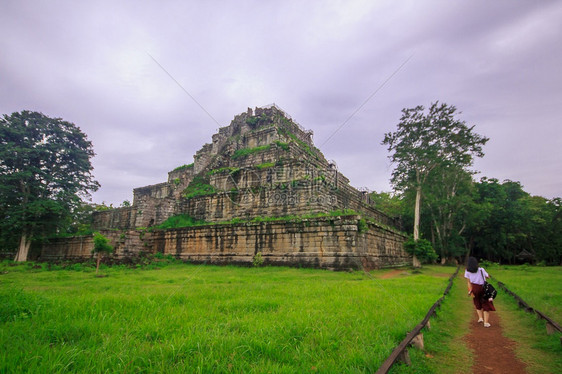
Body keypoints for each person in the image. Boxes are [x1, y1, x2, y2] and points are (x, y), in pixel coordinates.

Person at [465, 257, 495, 327]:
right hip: (483, 288)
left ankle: (480, 318)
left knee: (477, 302)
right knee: (486, 303)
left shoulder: (467, 271)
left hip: (474, 288)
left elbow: (468, 282)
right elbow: (487, 276)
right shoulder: (481, 269)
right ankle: (486, 322)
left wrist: (470, 291)